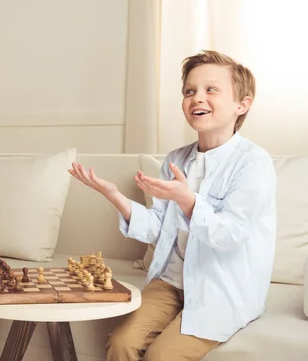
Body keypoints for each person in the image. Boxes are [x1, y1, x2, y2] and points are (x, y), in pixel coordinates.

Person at [69, 50, 276, 360]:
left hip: (219, 289)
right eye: (189, 91)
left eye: (211, 90)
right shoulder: (176, 159)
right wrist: (116, 196)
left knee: (160, 356)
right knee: (122, 343)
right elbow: (157, 228)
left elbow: (232, 235)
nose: (197, 98)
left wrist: (188, 200)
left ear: (242, 104)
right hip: (170, 283)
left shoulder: (253, 163)